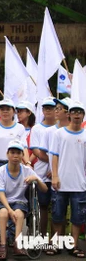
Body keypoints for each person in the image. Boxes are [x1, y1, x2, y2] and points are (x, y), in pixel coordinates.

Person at [0, 140, 47, 260]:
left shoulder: (27, 170)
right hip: (2, 201)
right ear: (7, 154)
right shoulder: (0, 171)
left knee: (19, 212)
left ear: (23, 155)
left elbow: (45, 189)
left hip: (19, 201)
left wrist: (36, 179)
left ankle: (17, 244)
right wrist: (9, 210)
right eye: (12, 152)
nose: (15, 156)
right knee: (3, 212)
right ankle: (3, 245)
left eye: (18, 153)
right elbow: (1, 194)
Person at [51, 101, 86, 258]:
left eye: (80, 112)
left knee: (78, 218)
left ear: (83, 115)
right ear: (69, 114)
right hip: (61, 182)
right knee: (58, 215)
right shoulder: (59, 133)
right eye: (74, 112)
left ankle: (73, 245)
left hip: (79, 184)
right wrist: (55, 175)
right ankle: (57, 244)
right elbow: (54, 156)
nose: (77, 115)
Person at [0, 99, 30, 203]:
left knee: (15, 195)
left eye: (8, 109)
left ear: (13, 111)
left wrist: (27, 162)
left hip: (15, 165)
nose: (5, 112)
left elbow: (24, 147)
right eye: (2, 109)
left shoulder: (20, 127)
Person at [37, 97, 70, 245]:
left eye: (59, 109)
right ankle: (46, 238)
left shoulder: (75, 130)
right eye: (55, 108)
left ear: (68, 112)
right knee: (47, 207)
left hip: (68, 178)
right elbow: (43, 153)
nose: (56, 111)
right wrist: (53, 168)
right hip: (49, 177)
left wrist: (58, 169)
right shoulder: (49, 131)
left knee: (63, 209)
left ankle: (64, 240)